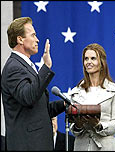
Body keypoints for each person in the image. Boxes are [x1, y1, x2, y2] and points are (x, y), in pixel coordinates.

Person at [1, 17, 66, 151]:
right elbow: (28, 97)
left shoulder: (25, 65)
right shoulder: (14, 67)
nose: (37, 40)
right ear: (20, 39)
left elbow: (38, 110)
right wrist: (46, 67)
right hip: (28, 145)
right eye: (33, 35)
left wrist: (64, 103)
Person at [69, 43, 115, 151]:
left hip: (105, 147)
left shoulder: (114, 90)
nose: (88, 62)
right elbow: (71, 127)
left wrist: (99, 125)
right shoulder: (76, 92)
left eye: (93, 58)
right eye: (86, 59)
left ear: (102, 62)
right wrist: (78, 125)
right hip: (81, 146)